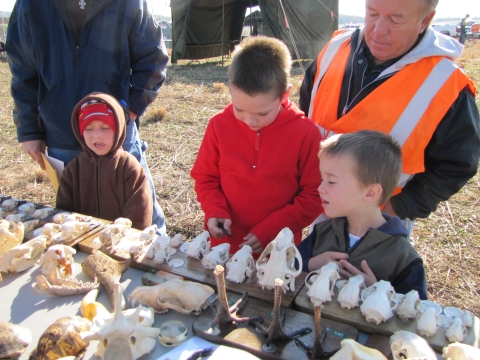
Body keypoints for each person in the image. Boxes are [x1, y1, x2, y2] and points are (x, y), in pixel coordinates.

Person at [299, 0, 480, 235]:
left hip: (377, 222)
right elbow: (306, 105)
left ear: (425, 21)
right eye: (372, 14)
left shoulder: (445, 83)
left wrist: (397, 208)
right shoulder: (336, 47)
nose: (378, 30)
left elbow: (457, 163)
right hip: (320, 203)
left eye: (395, 20)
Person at [5, 0, 168, 235]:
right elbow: (22, 71)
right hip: (61, 133)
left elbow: (153, 58)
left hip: (118, 136)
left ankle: (154, 269)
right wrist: (29, 129)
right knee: (76, 224)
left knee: (145, 223)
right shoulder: (30, 4)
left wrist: (127, 112)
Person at [191, 36, 323, 255]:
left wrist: (273, 230)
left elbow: (314, 195)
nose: (250, 121)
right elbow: (205, 178)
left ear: (285, 95)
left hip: (278, 250)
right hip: (225, 248)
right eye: (239, 109)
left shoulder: (306, 134)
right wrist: (215, 210)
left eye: (262, 113)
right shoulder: (218, 126)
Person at [297, 131, 428, 298]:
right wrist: (311, 264)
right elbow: (286, 271)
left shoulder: (402, 257)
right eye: (322, 179)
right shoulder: (322, 233)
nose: (320, 188)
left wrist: (376, 291)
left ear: (370, 193)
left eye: (331, 181)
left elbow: (417, 313)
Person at [56, 93, 153, 230]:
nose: (97, 135)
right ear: (80, 132)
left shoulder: (129, 167)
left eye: (105, 127)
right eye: (89, 128)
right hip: (82, 244)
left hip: (121, 245)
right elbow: (63, 214)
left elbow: (140, 218)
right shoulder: (73, 169)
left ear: (118, 129)